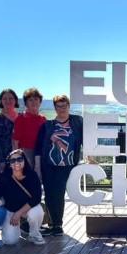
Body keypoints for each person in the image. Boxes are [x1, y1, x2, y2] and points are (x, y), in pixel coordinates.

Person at [35, 94, 83, 236]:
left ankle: (58, 224)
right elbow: (38, 147)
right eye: (58, 106)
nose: (61, 109)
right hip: (48, 165)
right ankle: (53, 225)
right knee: (49, 195)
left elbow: (86, 137)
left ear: (69, 106)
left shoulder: (77, 121)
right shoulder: (47, 125)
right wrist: (37, 167)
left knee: (60, 194)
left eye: (64, 105)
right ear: (54, 108)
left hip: (68, 165)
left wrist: (90, 155)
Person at [0, 150, 45, 246]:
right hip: (11, 209)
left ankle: (34, 234)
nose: (16, 162)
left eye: (19, 159)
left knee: (37, 212)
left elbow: (36, 198)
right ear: (10, 164)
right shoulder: (5, 177)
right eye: (13, 161)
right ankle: (20, 228)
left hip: (27, 208)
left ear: (24, 160)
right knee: (9, 241)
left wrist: (18, 213)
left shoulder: (32, 175)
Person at [14, 87, 46, 169]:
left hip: (41, 153)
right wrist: (16, 158)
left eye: (36, 99)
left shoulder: (43, 119)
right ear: (26, 103)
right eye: (30, 100)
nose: (34, 102)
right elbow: (15, 141)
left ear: (40, 102)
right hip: (26, 153)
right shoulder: (20, 119)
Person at [0, 89, 20, 173]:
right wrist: (1, 161)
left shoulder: (20, 117)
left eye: (11, 98)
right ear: (1, 101)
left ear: (15, 100)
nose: (8, 101)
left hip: (20, 158)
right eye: (5, 98)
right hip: (5, 160)